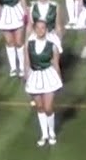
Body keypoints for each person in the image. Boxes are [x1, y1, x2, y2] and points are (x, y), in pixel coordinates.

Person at [24, 18, 63, 146]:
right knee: (40, 107)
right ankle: (44, 133)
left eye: (43, 28)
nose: (40, 30)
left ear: (46, 30)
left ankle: (51, 131)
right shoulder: (29, 45)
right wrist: (27, 79)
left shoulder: (52, 46)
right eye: (38, 28)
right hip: (35, 77)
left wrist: (59, 79)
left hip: (49, 76)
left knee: (48, 107)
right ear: (34, 29)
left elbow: (56, 64)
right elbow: (27, 63)